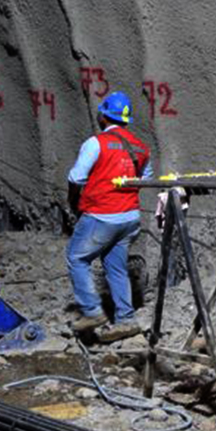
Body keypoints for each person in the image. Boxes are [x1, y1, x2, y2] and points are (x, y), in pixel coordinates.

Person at [66, 91, 152, 342]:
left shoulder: (96, 143)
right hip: (129, 218)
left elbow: (76, 178)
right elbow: (144, 181)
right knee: (116, 267)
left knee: (76, 258)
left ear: (103, 116)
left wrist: (74, 203)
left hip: (102, 215)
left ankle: (92, 311)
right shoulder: (141, 148)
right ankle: (125, 319)